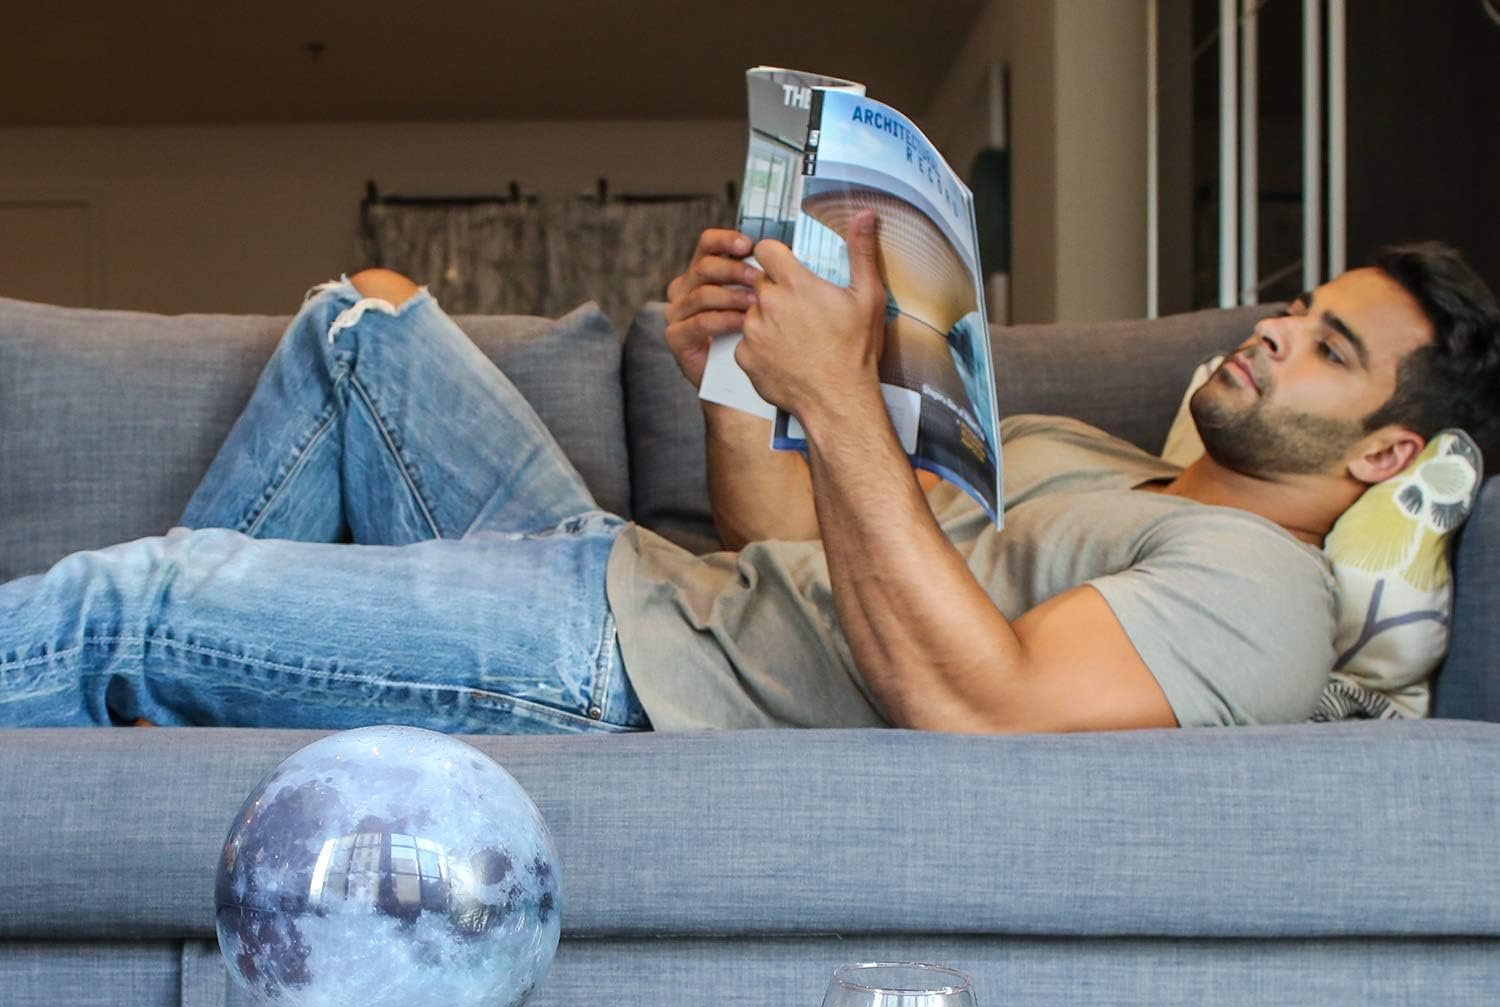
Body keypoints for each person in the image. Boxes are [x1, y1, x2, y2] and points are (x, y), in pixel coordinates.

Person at [1, 225, 1497, 735]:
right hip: (652, 582)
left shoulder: (1262, 593)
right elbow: (780, 535)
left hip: (630, 666)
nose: (1273, 329)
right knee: (363, 319)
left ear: (1384, 455)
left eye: (1326, 347)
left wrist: (841, 395)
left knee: (131, 611)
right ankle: (190, 708)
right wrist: (733, 367)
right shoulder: (1089, 462)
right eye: (1295, 307)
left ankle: (166, 665)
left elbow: (983, 709)